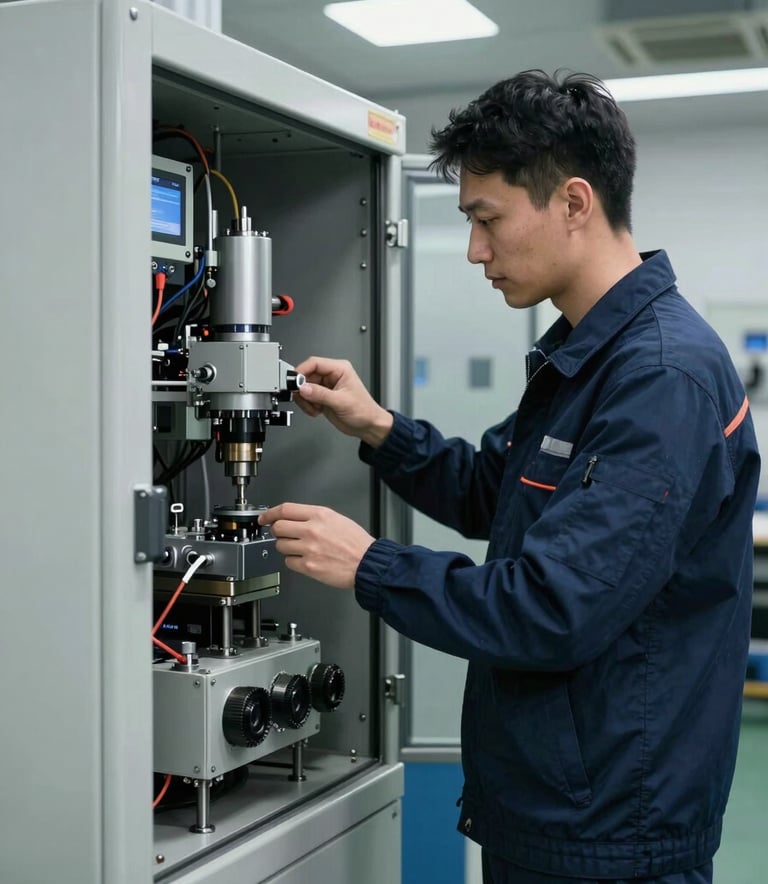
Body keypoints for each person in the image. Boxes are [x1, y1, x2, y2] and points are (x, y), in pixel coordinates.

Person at [258, 70, 760, 883]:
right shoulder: (588, 354)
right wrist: (378, 428)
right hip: (557, 808)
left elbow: (553, 609)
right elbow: (495, 493)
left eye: (487, 219)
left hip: (611, 838)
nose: (475, 250)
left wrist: (370, 565)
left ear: (573, 202)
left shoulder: (660, 378)